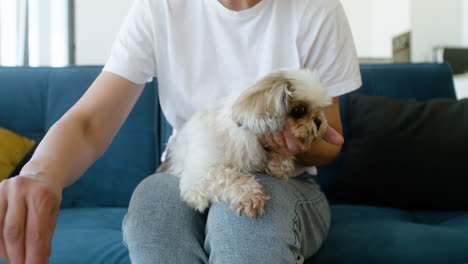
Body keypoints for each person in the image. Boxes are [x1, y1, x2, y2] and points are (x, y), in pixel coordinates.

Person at [0, 0, 362, 263]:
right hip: (183, 169)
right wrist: (39, 172)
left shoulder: (318, 10)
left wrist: (289, 142)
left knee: (245, 221)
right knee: (154, 214)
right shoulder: (159, 9)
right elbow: (90, 121)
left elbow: (328, 141)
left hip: (287, 179)